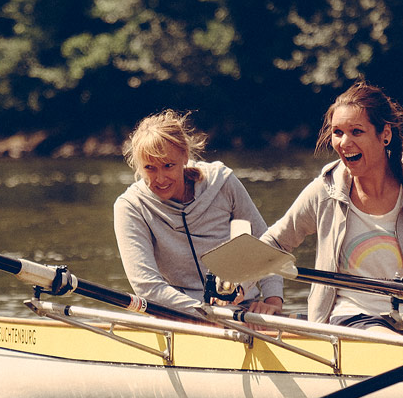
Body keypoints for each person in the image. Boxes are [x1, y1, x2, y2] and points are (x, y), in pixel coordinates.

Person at [261, 82, 403, 328]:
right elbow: (274, 243)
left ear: (385, 134)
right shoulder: (325, 191)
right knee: (383, 336)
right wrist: (243, 285)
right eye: (337, 132)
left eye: (356, 131)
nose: (344, 143)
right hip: (351, 318)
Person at [114, 110, 285, 315]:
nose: (160, 179)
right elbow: (147, 287)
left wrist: (273, 302)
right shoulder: (131, 206)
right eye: (150, 168)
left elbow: (265, 247)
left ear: (185, 156)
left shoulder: (222, 182)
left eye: (168, 165)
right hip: (179, 315)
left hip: (243, 310)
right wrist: (204, 313)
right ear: (139, 167)